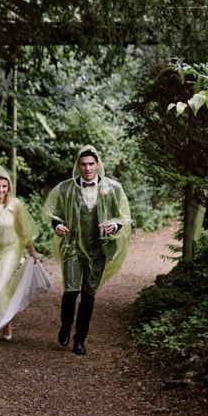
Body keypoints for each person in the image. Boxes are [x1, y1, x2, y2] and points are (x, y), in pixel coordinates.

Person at [42, 144, 131, 355]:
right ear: (78, 165)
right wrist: (58, 226)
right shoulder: (65, 188)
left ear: (98, 164)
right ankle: (65, 325)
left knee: (89, 295)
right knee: (71, 291)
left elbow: (123, 216)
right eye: (83, 164)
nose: (88, 168)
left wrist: (114, 225)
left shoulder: (113, 188)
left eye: (91, 164)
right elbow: (54, 213)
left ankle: (80, 339)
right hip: (72, 247)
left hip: (98, 248)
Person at [0, 165, 51, 349]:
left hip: (11, 251)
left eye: (4, 186)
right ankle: (5, 322)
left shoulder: (14, 205)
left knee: (0, 288)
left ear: (8, 188)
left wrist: (32, 251)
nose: (1, 190)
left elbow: (25, 230)